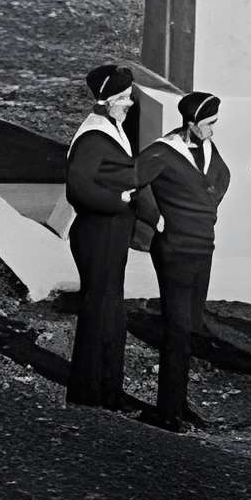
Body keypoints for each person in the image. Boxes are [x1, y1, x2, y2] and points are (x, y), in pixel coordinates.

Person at [133, 89, 231, 434]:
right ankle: (167, 411)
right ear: (191, 123)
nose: (213, 130)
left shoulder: (207, 148)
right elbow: (130, 185)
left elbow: (222, 177)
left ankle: (180, 402)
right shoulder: (163, 151)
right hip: (174, 250)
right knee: (175, 331)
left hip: (204, 248)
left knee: (190, 327)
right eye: (208, 124)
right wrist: (155, 218)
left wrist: (209, 207)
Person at [65, 63, 141, 411]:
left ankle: (107, 388)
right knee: (99, 310)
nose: (130, 103)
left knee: (109, 309)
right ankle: (89, 391)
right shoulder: (94, 137)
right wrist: (120, 200)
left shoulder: (110, 127)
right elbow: (78, 189)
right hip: (98, 233)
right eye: (124, 98)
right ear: (107, 101)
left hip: (110, 233)